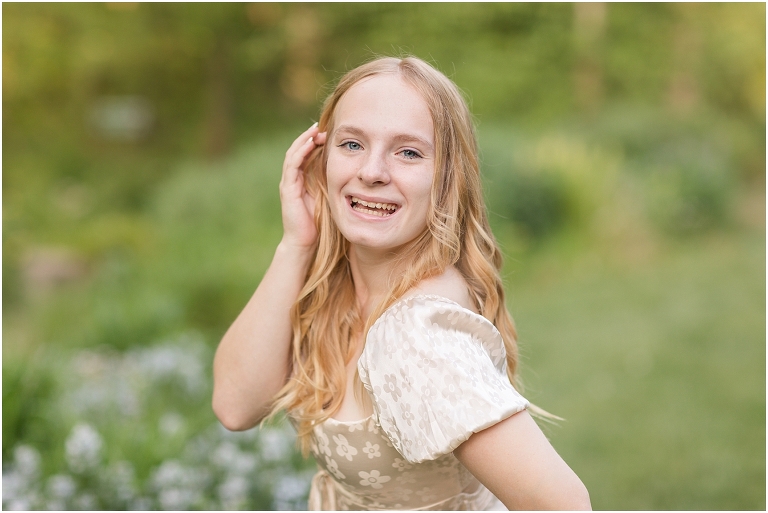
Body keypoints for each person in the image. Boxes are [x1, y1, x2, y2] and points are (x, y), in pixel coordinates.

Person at [212, 56, 591, 510]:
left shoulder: (415, 336)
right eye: (352, 144)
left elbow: (563, 504)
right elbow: (235, 405)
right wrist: (297, 243)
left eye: (408, 152)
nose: (371, 171)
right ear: (319, 156)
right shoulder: (338, 290)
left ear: (447, 177)